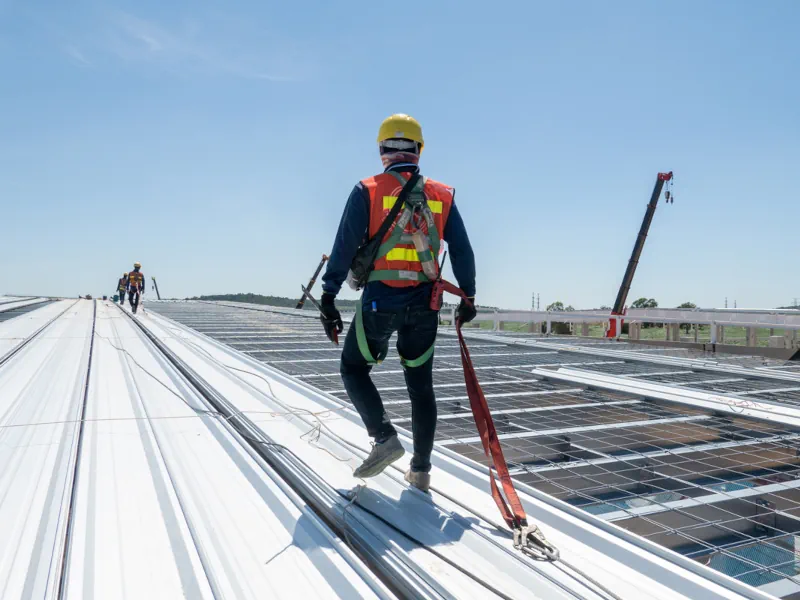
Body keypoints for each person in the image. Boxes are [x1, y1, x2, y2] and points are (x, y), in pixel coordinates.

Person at [319, 114, 477, 493]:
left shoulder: (367, 190)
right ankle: (420, 471)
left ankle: (384, 436)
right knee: (421, 385)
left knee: (354, 369)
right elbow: (463, 249)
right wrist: (469, 296)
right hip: (426, 304)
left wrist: (328, 297)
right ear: (419, 151)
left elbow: (343, 249)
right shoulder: (442, 195)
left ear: (381, 150)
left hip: (380, 301)